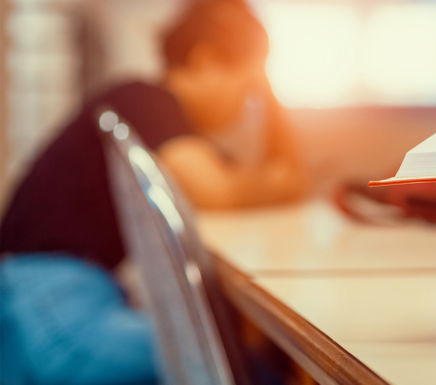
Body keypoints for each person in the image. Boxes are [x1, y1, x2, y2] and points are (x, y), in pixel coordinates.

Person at [0, 0, 304, 383]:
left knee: (236, 357)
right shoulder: (146, 99)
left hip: (55, 298)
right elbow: (222, 191)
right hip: (50, 304)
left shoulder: (162, 116)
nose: (248, 103)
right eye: (247, 87)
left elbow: (261, 181)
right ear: (206, 60)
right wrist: (273, 99)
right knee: (239, 367)